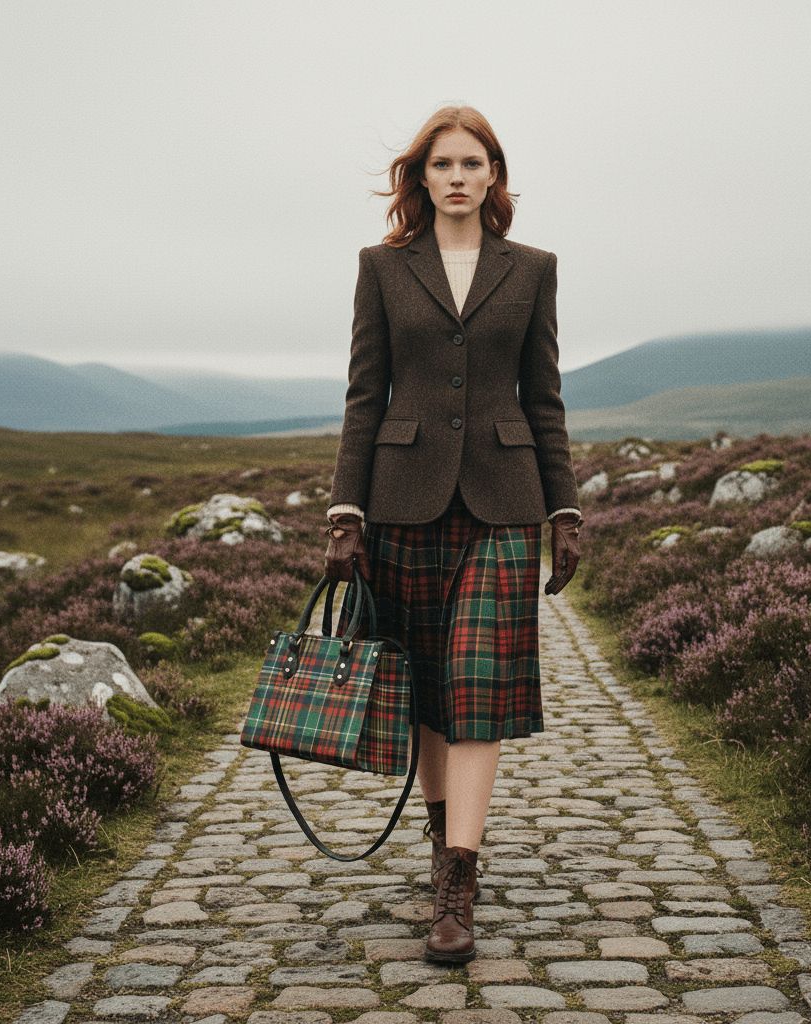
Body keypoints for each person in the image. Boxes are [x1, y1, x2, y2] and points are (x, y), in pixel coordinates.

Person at [323, 105, 582, 964]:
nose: (460, 176)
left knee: (475, 691)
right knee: (428, 691)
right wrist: (344, 512)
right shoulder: (383, 268)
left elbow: (543, 397)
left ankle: (457, 885)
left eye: (476, 162)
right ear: (422, 176)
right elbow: (367, 394)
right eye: (445, 163)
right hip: (402, 500)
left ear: (494, 176)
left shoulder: (534, 268)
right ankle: (443, 838)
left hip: (506, 503)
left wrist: (565, 510)